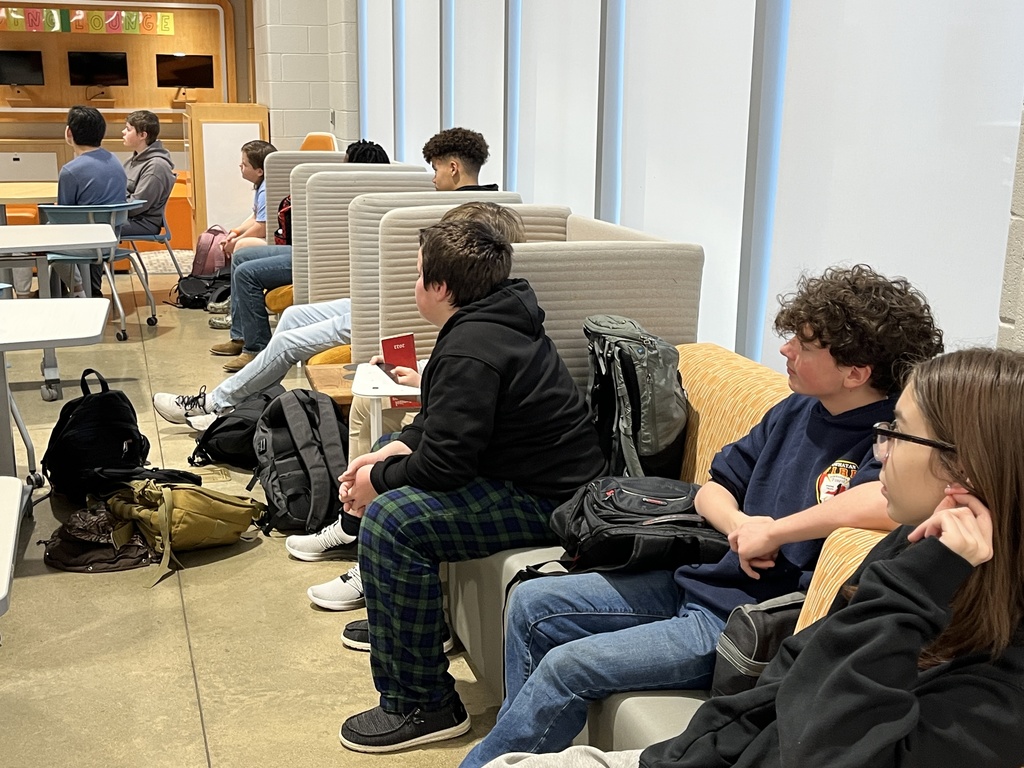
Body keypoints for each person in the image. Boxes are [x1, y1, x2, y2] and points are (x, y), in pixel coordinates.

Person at [461, 265, 945, 767]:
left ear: (856, 372)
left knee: (567, 666)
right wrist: (741, 526)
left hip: (737, 618)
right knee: (531, 601)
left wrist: (775, 531)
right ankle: (517, 743)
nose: (785, 351)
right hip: (698, 580)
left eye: (803, 344)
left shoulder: (886, 439)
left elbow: (880, 505)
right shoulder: (795, 410)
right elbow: (711, 489)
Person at [313, 218, 604, 753]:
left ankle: (422, 703)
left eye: (419, 275)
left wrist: (377, 479)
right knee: (397, 475)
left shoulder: (473, 342)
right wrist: (396, 449)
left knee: (393, 521)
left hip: (553, 501)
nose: (414, 284)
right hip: (528, 478)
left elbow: (446, 466)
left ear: (441, 288)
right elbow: (448, 421)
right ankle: (416, 634)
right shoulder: (493, 319)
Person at [151, 201, 520, 428]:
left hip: (395, 318)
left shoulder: (471, 297)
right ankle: (242, 405)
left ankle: (215, 403)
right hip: (384, 306)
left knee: (289, 341)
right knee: (294, 317)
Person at [206, 139, 387, 372]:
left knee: (246, 273)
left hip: (320, 260)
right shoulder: (341, 191)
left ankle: (256, 348)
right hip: (306, 250)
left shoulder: (362, 199)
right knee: (243, 256)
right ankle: (240, 336)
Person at [13, 105, 127, 298]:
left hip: (84, 243)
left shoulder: (71, 170)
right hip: (111, 239)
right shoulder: (115, 162)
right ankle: (72, 291)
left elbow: (62, 220)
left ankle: (27, 298)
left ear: (68, 132)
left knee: (19, 244)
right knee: (49, 239)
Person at [120, 110, 176, 238]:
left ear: (142, 135)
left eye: (128, 130)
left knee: (98, 227)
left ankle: (99, 258)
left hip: (142, 222)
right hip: (128, 217)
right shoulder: (132, 160)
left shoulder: (156, 167)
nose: (123, 132)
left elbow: (137, 206)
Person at [422, 127, 498, 191]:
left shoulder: (438, 207)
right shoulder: (501, 205)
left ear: (453, 168)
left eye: (436, 170)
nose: (434, 180)